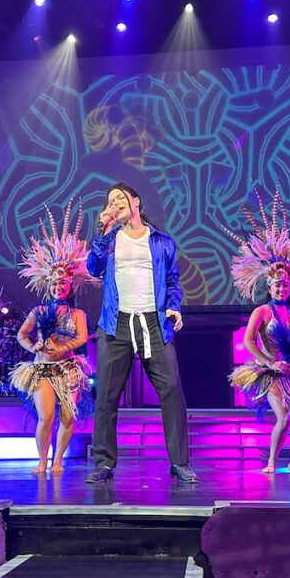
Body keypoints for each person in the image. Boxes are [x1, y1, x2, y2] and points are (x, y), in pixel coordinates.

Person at [85, 182, 197, 483]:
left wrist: (174, 307)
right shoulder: (110, 239)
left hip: (153, 323)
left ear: (135, 201)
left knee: (172, 391)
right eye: (109, 201)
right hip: (116, 323)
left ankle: (179, 463)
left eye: (119, 198)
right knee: (106, 397)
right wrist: (102, 233)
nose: (113, 204)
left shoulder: (161, 241)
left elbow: (173, 282)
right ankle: (104, 463)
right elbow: (93, 269)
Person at [226, 191, 290, 473]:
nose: (281, 289)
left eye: (285, 286)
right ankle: (272, 461)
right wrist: (270, 362)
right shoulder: (262, 312)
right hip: (270, 371)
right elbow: (248, 342)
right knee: (284, 415)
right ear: (269, 287)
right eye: (277, 286)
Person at [10, 200, 96, 474]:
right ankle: (42, 461)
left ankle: (58, 459)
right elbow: (21, 335)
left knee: (68, 417)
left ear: (70, 285)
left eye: (63, 282)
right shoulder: (37, 311)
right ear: (48, 286)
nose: (59, 286)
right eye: (55, 283)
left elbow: (82, 338)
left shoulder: (78, 313)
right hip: (42, 369)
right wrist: (33, 344)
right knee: (46, 416)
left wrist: (63, 348)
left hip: (68, 369)